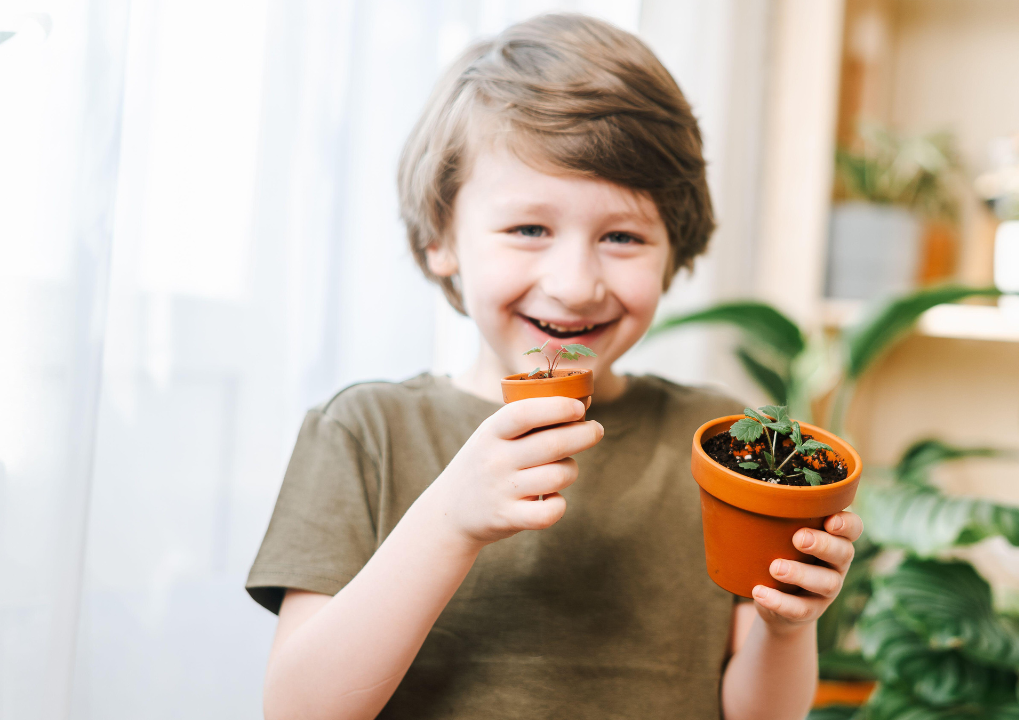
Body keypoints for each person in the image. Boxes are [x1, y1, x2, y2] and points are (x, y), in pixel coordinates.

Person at [246, 13, 862, 720]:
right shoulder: (366, 433)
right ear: (440, 238)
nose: (575, 283)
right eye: (529, 229)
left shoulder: (719, 439)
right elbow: (299, 710)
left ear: (675, 249)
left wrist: (788, 627)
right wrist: (450, 520)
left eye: (623, 236)